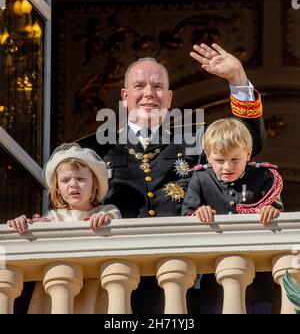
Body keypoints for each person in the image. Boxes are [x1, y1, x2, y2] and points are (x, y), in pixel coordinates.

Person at [10, 43, 266, 313]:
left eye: (157, 87)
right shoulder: (89, 150)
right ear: (124, 96)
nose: (148, 94)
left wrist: (237, 78)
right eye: (139, 86)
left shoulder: (196, 146)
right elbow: (69, 205)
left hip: (179, 279)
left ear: (168, 98)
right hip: (112, 281)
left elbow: (249, 142)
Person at [181, 118, 283, 314]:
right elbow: (187, 214)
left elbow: (278, 213)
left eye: (235, 160)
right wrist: (197, 213)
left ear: (248, 154)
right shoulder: (200, 178)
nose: (227, 167)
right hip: (213, 283)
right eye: (219, 160)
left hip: (258, 284)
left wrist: (271, 211)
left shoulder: (262, 176)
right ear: (208, 157)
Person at [7, 143, 121, 233]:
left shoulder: (108, 211)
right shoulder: (53, 217)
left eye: (80, 179)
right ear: (58, 188)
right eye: (65, 180)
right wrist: (23, 223)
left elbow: (116, 224)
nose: (73, 184)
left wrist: (105, 219)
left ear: (95, 184)